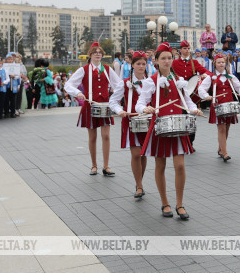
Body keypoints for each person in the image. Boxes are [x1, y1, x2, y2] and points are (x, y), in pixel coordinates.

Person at [136, 43, 204, 220]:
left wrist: (194, 109)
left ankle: (180, 204)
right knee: (161, 165)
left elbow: (187, 101)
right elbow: (140, 103)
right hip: (160, 126)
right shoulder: (151, 81)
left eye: (169, 58)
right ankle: (165, 202)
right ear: (156, 61)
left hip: (179, 125)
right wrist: (146, 109)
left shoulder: (179, 79)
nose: (167, 61)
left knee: (180, 165)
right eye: (163, 58)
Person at [65, 42, 123, 176]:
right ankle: (94, 165)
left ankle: (106, 166)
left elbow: (119, 85)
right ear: (90, 55)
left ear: (102, 55)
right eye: (95, 52)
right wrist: (77, 93)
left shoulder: (108, 70)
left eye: (100, 52)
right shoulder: (83, 70)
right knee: (92, 137)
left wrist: (116, 92)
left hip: (105, 104)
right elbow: (69, 84)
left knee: (106, 136)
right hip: (90, 105)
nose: (97, 54)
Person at [108, 51, 150, 198]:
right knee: (136, 153)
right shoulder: (124, 83)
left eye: (143, 64)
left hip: (147, 120)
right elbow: (113, 101)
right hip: (131, 120)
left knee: (143, 154)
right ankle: (139, 186)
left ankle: (140, 182)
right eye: (138, 63)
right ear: (132, 65)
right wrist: (120, 111)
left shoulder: (151, 82)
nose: (141, 66)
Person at [198, 53, 240, 162]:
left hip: (229, 104)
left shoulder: (230, 76)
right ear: (215, 64)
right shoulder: (211, 77)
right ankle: (225, 152)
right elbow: (201, 89)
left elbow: (239, 86)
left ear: (225, 63)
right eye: (219, 62)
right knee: (221, 128)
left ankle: (220, 149)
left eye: (223, 62)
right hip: (217, 105)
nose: (221, 64)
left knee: (227, 127)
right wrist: (206, 96)